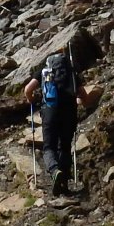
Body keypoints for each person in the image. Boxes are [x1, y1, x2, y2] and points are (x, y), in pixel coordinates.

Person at [24, 49, 79, 193]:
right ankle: (64, 183)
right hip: (69, 112)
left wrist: (32, 100)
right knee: (65, 147)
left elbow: (27, 90)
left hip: (49, 110)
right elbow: (84, 97)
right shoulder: (71, 73)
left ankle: (55, 171)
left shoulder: (44, 71)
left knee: (49, 147)